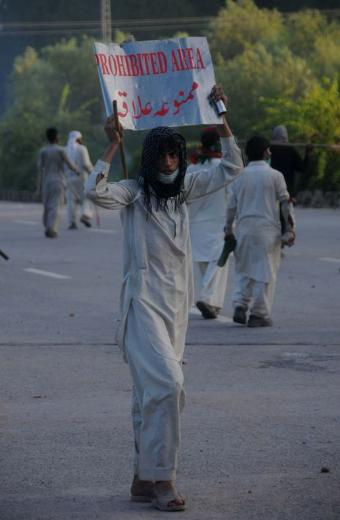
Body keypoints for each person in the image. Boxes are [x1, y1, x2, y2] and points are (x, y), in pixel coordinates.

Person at [85, 86, 243, 512]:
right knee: (170, 386)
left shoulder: (186, 191)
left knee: (149, 394)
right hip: (142, 308)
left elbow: (232, 165)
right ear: (149, 159)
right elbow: (94, 192)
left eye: (174, 155)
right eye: (161, 156)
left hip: (177, 308)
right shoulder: (134, 193)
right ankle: (164, 479)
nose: (169, 162)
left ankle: (141, 476)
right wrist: (112, 144)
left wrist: (221, 112)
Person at [225, 135, 295, 328]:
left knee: (244, 270)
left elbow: (231, 207)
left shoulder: (239, 177)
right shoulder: (275, 176)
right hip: (267, 232)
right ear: (266, 152)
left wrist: (228, 230)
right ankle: (259, 314)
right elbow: (285, 205)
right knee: (266, 274)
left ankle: (240, 304)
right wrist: (290, 230)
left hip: (244, 230)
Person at [187, 127, 232, 319]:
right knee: (218, 264)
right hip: (218, 222)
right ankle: (207, 298)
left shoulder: (192, 167)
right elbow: (232, 196)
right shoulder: (223, 167)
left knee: (205, 264)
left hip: (195, 223)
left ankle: (212, 303)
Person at [37, 127, 80, 238]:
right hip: (58, 181)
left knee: (47, 205)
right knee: (55, 205)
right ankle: (52, 228)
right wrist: (77, 170)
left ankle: (47, 226)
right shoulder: (61, 150)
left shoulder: (43, 151)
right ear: (56, 137)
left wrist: (38, 187)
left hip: (46, 182)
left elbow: (40, 169)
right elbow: (70, 164)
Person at [270, 125, 312, 202]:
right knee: (286, 213)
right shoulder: (290, 150)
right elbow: (303, 168)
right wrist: (308, 153)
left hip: (271, 192)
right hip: (287, 192)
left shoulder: (269, 149)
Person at [65, 130, 94, 229]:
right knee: (85, 198)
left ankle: (72, 222)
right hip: (82, 178)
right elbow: (86, 164)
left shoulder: (65, 150)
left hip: (69, 179)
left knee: (70, 200)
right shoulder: (82, 149)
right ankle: (85, 215)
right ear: (78, 139)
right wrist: (94, 174)